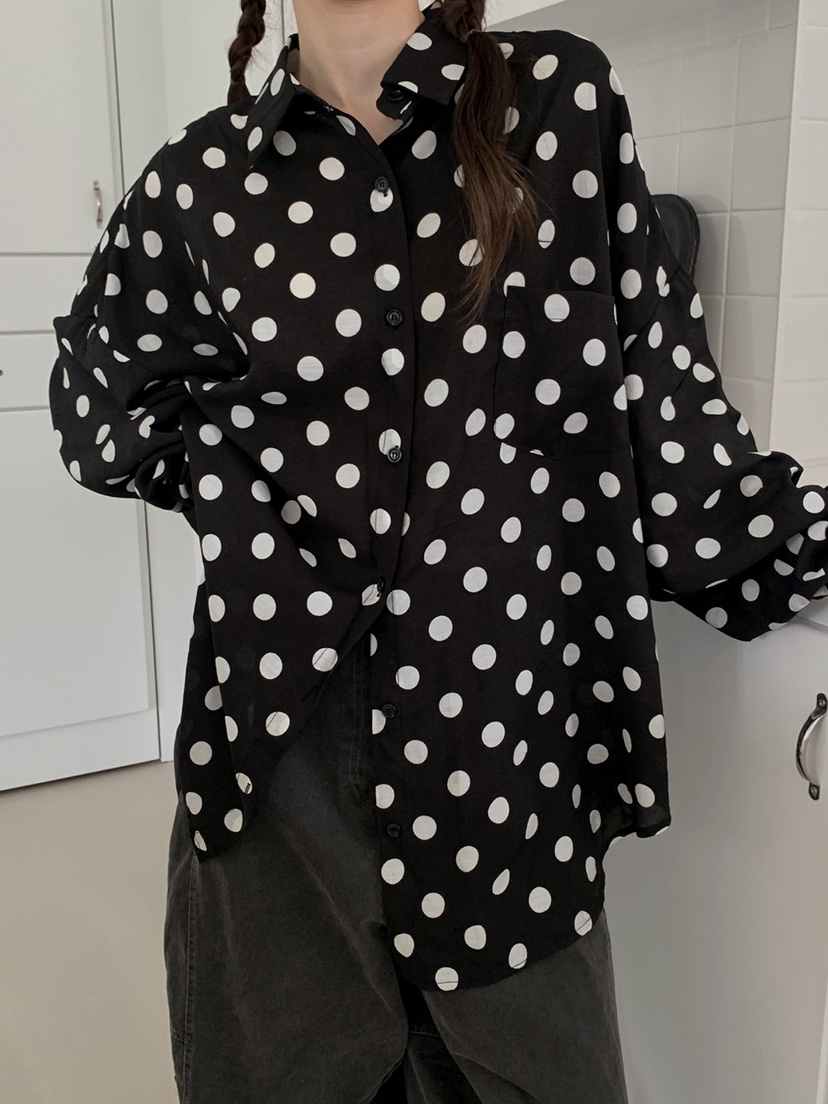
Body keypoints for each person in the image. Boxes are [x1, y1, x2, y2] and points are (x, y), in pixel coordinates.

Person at [48, 0, 828, 1101]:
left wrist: (791, 543)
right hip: (280, 774)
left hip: (506, 757)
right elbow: (99, 414)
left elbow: (666, 428)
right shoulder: (202, 181)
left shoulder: (557, 105)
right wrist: (250, 495)